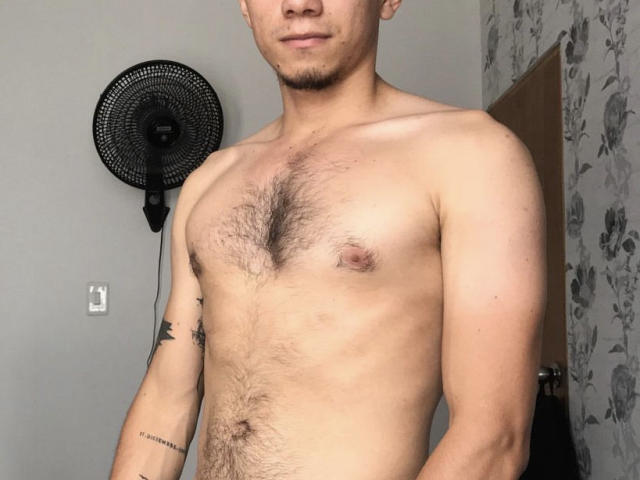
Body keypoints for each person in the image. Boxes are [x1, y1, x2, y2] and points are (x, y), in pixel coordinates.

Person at [109, 1, 547, 479]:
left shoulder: (472, 155)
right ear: (245, 7)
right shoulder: (208, 183)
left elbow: (493, 436)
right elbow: (166, 401)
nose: (300, 5)